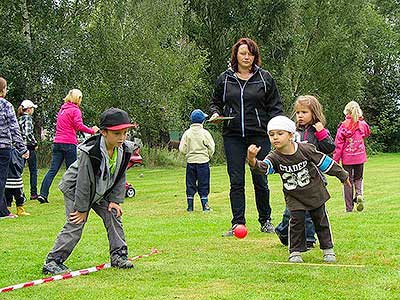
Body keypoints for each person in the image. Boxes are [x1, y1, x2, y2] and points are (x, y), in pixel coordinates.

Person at [42, 108, 136, 275]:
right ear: (103, 132)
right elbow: (83, 182)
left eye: (125, 132)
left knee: (113, 214)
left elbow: (120, 174)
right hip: (75, 189)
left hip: (101, 190)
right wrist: (82, 209)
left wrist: (115, 200)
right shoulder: (90, 151)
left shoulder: (125, 149)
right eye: (117, 133)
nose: (122, 137)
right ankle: (53, 261)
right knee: (76, 222)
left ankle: (119, 256)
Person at [247, 116, 350, 263]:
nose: (275, 137)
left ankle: (328, 250)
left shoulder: (305, 149)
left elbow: (325, 163)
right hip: (294, 197)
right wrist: (252, 160)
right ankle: (295, 252)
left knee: (321, 222)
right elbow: (264, 168)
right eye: (271, 135)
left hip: (315, 193)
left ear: (290, 135)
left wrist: (343, 175)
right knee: (295, 222)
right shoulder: (274, 156)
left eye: (280, 133)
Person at [209, 37, 283, 236]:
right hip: (232, 136)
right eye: (243, 53)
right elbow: (215, 102)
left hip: (258, 135)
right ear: (236, 55)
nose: (246, 57)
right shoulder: (224, 79)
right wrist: (215, 113)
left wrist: (275, 131)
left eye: (250, 53)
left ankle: (266, 220)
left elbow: (276, 107)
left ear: (255, 56)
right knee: (236, 181)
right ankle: (237, 223)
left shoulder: (265, 78)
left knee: (260, 179)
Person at [275, 95, 335, 249]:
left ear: (314, 113)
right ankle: (283, 231)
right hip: (295, 180)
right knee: (291, 212)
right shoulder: (292, 132)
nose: (300, 116)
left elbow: (329, 148)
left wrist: (322, 133)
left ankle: (308, 240)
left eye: (304, 112)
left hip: (314, 179)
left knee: (310, 212)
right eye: (298, 112)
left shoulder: (319, 132)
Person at [38, 89, 99, 204]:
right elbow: (78, 125)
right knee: (74, 171)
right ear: (78, 98)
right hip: (69, 143)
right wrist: (92, 131)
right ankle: (75, 195)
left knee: (53, 170)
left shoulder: (62, 110)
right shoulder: (75, 110)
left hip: (57, 142)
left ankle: (43, 194)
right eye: (80, 98)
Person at [333, 101, 370, 212]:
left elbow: (338, 145)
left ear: (346, 112)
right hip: (360, 157)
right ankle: (359, 194)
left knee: (347, 181)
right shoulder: (362, 124)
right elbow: (367, 133)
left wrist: (335, 160)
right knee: (358, 178)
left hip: (347, 159)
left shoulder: (343, 126)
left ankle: (349, 208)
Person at [0, 77, 29, 219]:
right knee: (1, 179)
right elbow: (14, 129)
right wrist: (23, 149)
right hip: (3, 147)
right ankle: (2, 212)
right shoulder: (6, 105)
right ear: (2, 90)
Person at [179, 109, 215, 212]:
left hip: (190, 162)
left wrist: (188, 154)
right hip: (203, 162)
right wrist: (208, 155)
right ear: (203, 121)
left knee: (190, 183)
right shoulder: (205, 133)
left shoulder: (187, 133)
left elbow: (182, 149)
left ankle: (190, 207)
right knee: (204, 183)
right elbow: (212, 147)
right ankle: (205, 206)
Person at [17, 99, 39, 200]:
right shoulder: (28, 118)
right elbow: (27, 133)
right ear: (29, 109)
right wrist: (34, 143)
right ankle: (33, 193)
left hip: (19, 147)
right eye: (32, 108)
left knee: (19, 171)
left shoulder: (19, 118)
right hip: (28, 147)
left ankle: (19, 193)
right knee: (33, 171)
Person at [5, 148, 30, 216]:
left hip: (11, 179)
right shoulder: (16, 152)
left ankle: (12, 209)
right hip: (14, 179)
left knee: (12, 196)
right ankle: (16, 209)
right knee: (16, 196)